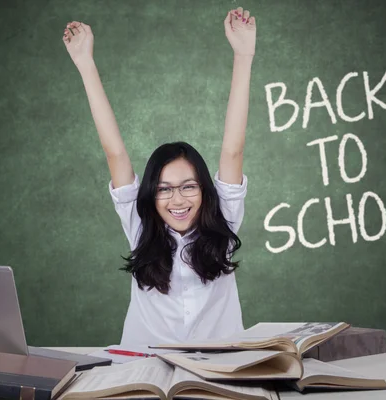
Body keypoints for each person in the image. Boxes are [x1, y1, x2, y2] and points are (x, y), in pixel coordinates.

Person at [62, 6, 256, 345]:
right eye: (164, 189)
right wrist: (85, 63)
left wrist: (243, 55)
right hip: (144, 371)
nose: (177, 200)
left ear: (205, 191)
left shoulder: (223, 222)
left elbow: (232, 151)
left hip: (219, 374)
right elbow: (115, 152)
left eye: (188, 187)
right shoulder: (140, 225)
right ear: (151, 195)